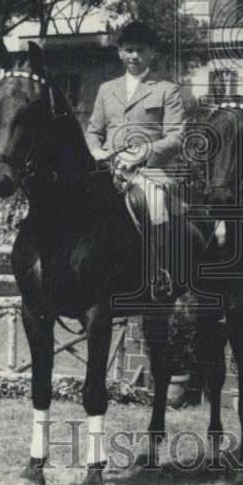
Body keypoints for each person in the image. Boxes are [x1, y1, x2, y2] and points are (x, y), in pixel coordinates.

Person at [84, 20, 186, 300]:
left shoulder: (167, 89)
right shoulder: (107, 89)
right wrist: (95, 151)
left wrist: (141, 154)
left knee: (154, 203)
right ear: (119, 53)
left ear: (151, 52)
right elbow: (93, 130)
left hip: (149, 171)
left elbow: (176, 137)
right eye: (128, 50)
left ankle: (158, 272)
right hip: (107, 168)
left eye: (140, 50)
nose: (134, 56)